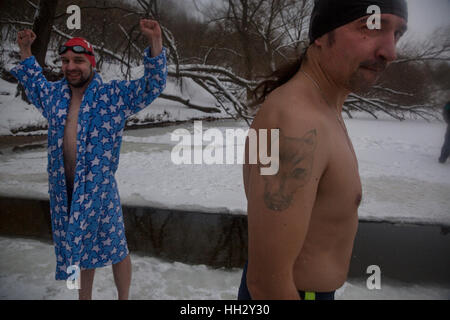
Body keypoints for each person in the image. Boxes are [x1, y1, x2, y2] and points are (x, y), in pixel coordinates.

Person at [238, 0, 408, 300]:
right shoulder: (296, 120)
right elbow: (266, 284)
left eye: (397, 34)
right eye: (372, 26)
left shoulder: (322, 108)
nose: (390, 52)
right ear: (321, 32)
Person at [10, 19, 167, 300]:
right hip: (66, 192)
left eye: (78, 60)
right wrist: (25, 50)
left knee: (118, 250)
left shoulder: (112, 97)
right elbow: (33, 81)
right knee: (79, 252)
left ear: (92, 63)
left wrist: (155, 42)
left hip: (100, 192)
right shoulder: (55, 96)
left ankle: (123, 298)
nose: (70, 66)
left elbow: (152, 85)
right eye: (65, 60)